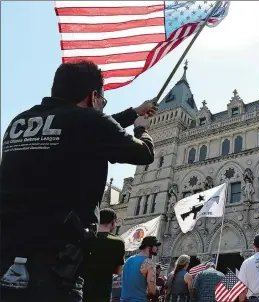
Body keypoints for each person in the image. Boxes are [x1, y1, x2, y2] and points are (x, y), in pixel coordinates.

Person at [0, 60, 157, 302]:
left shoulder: (20, 122)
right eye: (102, 102)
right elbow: (144, 153)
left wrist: (134, 111)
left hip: (7, 254)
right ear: (93, 97)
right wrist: (141, 129)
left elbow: (83, 128)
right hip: (56, 263)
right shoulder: (88, 122)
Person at [83, 208, 125, 302]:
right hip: (102, 290)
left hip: (81, 287)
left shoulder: (87, 236)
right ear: (113, 222)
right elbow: (118, 271)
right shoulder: (118, 242)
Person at [121, 236, 162, 302]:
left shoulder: (129, 260)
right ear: (149, 247)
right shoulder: (149, 263)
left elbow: (123, 280)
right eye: (156, 246)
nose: (158, 248)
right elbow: (152, 292)